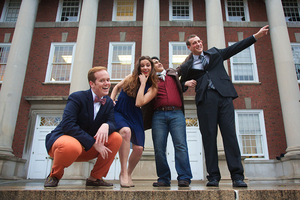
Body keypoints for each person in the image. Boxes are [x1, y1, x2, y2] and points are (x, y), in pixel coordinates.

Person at [179, 25, 269, 187]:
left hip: (224, 97)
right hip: (205, 101)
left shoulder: (215, 53)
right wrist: (185, 83)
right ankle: (213, 177)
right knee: (209, 138)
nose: (199, 44)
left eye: (199, 41)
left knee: (230, 136)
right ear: (189, 47)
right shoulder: (187, 66)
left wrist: (256, 36)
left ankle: (237, 176)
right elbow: (178, 84)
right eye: (194, 43)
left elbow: (235, 48)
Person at [44, 66, 122, 188]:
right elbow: (68, 125)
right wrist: (93, 142)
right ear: (92, 83)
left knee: (116, 137)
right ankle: (54, 176)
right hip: (65, 142)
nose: (107, 83)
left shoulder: (107, 102)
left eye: (108, 80)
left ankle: (95, 178)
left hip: (87, 149)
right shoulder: (77, 97)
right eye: (102, 80)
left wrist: (106, 125)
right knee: (70, 146)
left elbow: (112, 122)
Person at [144, 57, 195, 187]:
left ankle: (184, 177)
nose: (159, 63)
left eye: (159, 61)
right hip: (158, 116)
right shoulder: (149, 81)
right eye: (155, 63)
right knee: (159, 148)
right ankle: (163, 178)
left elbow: (185, 64)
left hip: (176, 114)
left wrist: (194, 51)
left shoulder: (172, 74)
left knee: (181, 145)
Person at [110, 56, 158, 187]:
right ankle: (123, 172)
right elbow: (116, 87)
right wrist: (111, 101)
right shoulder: (130, 77)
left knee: (139, 149)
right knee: (125, 132)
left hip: (135, 114)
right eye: (142, 65)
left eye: (148, 65)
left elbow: (139, 103)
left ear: (151, 67)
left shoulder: (153, 86)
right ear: (139, 67)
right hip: (120, 110)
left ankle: (128, 173)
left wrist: (143, 83)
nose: (145, 68)